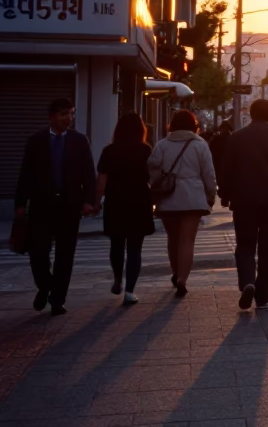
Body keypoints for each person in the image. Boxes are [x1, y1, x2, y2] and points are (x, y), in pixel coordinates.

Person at [16, 97, 97, 316]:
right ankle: (45, 285)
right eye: (64, 114)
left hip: (69, 205)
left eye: (71, 114)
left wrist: (89, 200)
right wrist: (20, 203)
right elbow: (26, 173)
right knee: (38, 252)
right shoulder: (36, 141)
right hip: (42, 205)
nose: (68, 119)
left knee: (65, 254)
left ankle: (58, 298)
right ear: (52, 117)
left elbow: (89, 172)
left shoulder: (79, 141)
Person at [219, 99, 268, 310]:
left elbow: (227, 169)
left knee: (245, 245)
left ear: (251, 114)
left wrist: (224, 195)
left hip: (244, 200)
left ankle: (247, 282)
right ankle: (263, 295)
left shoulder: (236, 138)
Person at [148, 110, 217, 298]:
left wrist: (159, 184)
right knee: (187, 240)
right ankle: (182, 280)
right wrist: (211, 194)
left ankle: (175, 272)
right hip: (193, 197)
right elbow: (208, 173)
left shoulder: (162, 144)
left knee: (173, 237)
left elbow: (152, 167)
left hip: (168, 196)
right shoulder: (200, 145)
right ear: (193, 125)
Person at [94, 113, 156, 305]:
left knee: (116, 243)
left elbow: (102, 181)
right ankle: (130, 291)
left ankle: (117, 279)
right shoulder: (146, 150)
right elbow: (152, 178)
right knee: (135, 248)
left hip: (116, 201)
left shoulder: (109, 151)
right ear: (141, 130)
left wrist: (96, 202)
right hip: (139, 201)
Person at [208, 121, 234, 187]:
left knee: (221, 184)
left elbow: (210, 152)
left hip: (218, 165)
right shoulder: (233, 138)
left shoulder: (216, 139)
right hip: (231, 166)